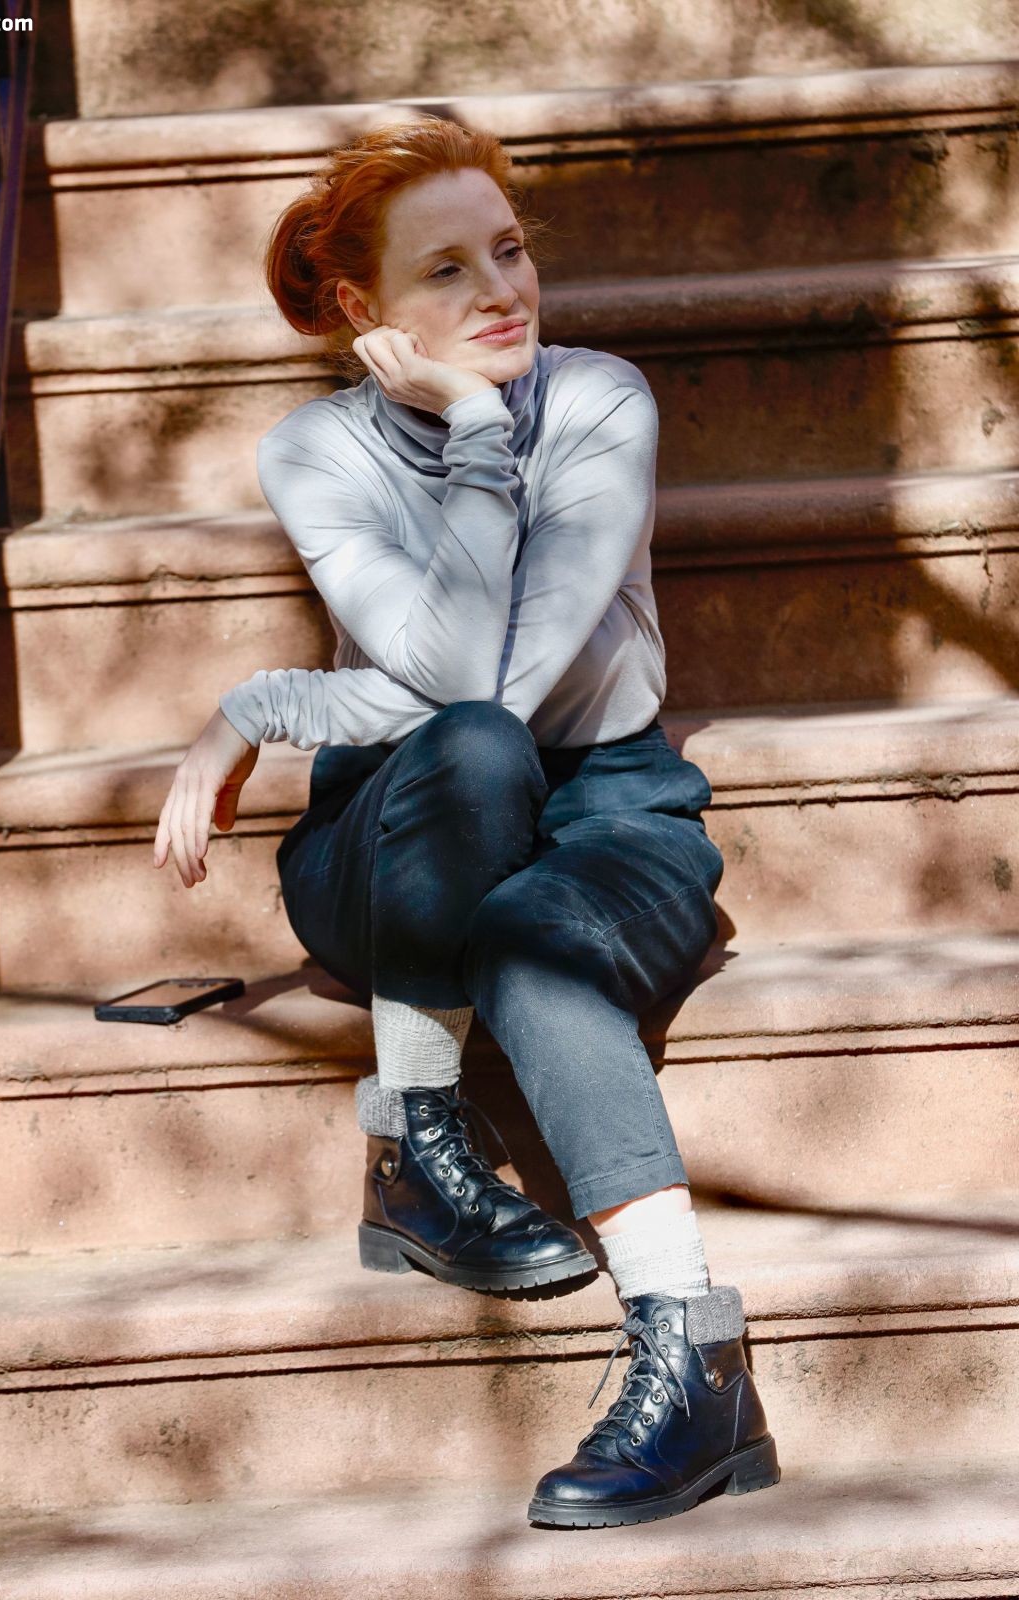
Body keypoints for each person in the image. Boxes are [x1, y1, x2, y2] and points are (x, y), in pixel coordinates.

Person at [152, 115, 780, 1528]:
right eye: (447, 271)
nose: (501, 291)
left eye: (509, 250)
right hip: (388, 827)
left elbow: (500, 672)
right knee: (475, 752)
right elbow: (454, 701)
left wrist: (263, 704)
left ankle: (692, 1351)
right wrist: (479, 438)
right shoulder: (314, 450)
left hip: (613, 805)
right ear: (363, 309)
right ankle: (419, 1137)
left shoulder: (601, 402)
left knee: (529, 935)